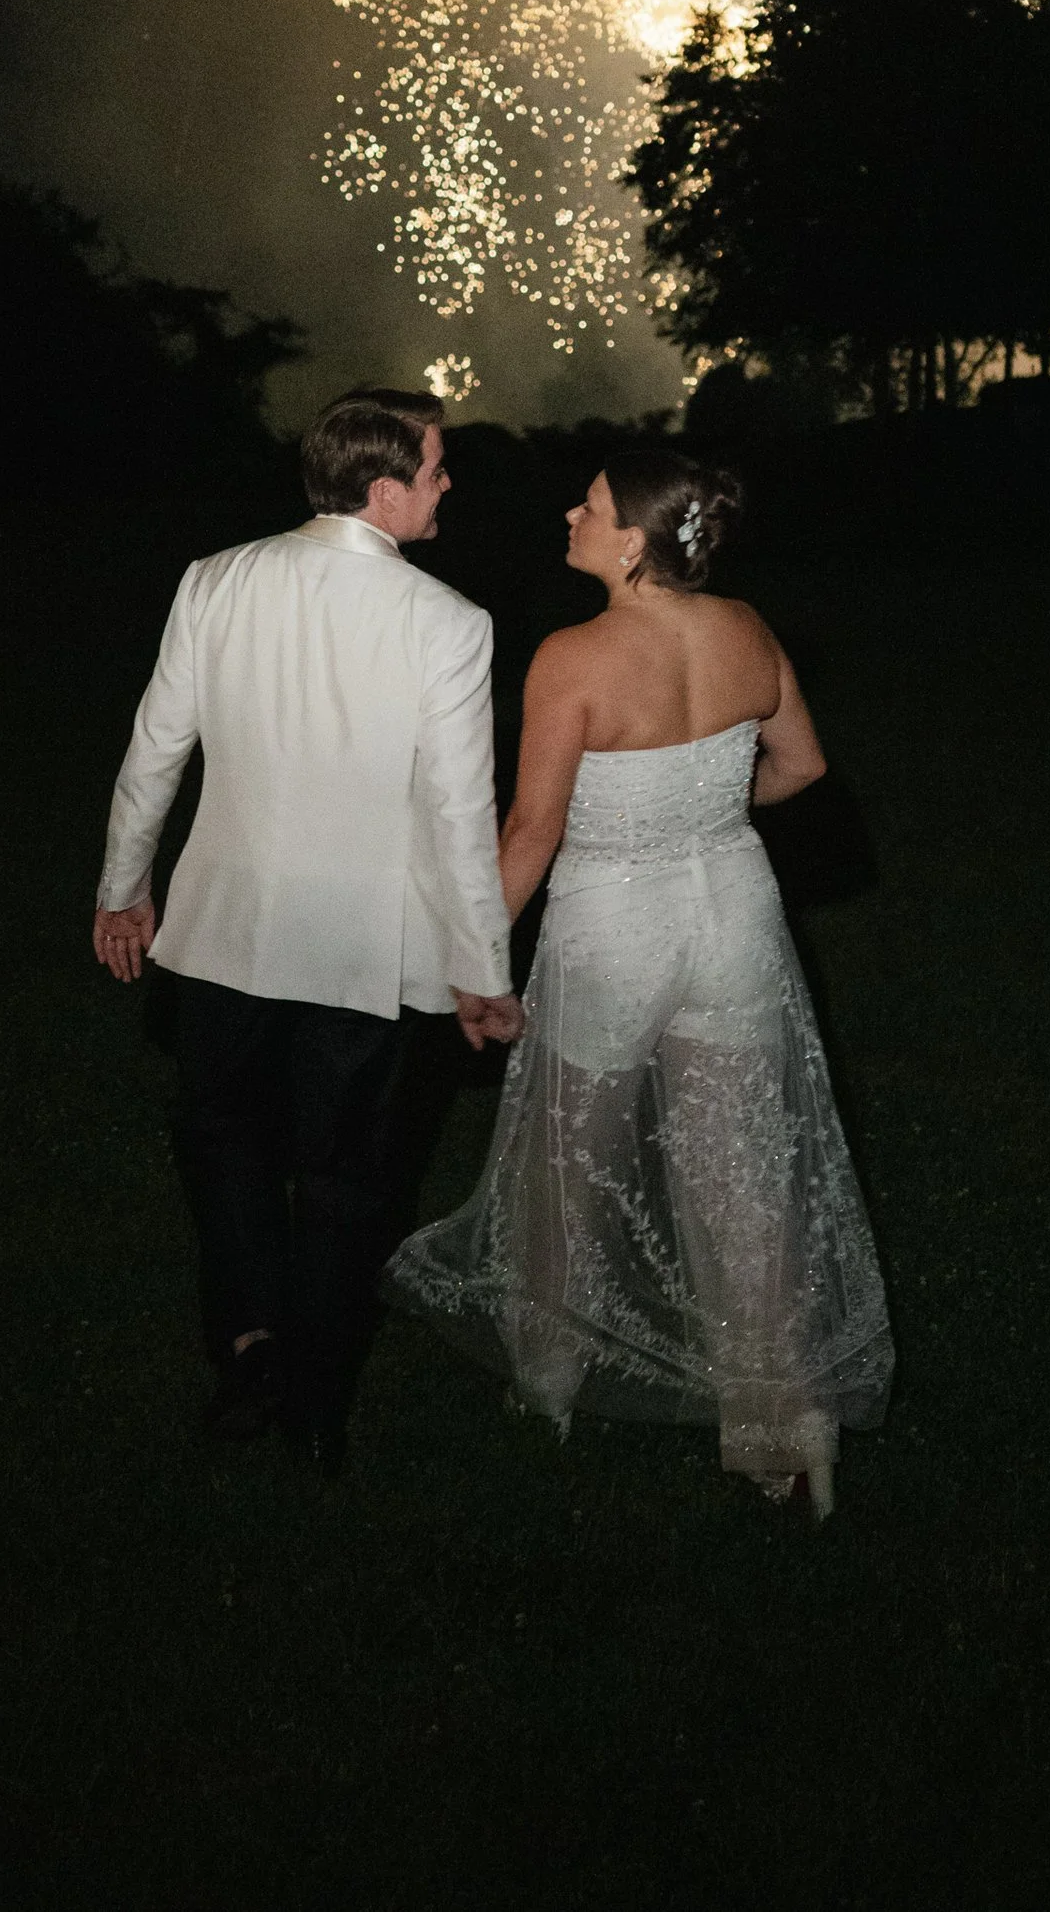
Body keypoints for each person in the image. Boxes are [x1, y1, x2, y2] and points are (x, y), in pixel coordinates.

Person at [385, 443, 891, 1514]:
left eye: (594, 503)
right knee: (743, 1180)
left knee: (566, 1163)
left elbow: (529, 831)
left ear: (634, 538)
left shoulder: (571, 654)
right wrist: (696, 813)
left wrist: (474, 967)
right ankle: (784, 1438)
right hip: (736, 915)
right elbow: (799, 766)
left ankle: (550, 1383)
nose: (571, 509)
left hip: (615, 924)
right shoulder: (748, 628)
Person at [92, 388, 520, 1470]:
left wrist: (122, 889)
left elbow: (154, 751)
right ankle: (314, 1401)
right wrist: (480, 970)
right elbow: (459, 814)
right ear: (385, 491)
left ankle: (250, 1349)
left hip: (222, 933)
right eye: (435, 470)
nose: (447, 486)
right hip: (365, 952)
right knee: (344, 1177)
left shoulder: (217, 578)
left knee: (225, 1145)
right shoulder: (450, 625)